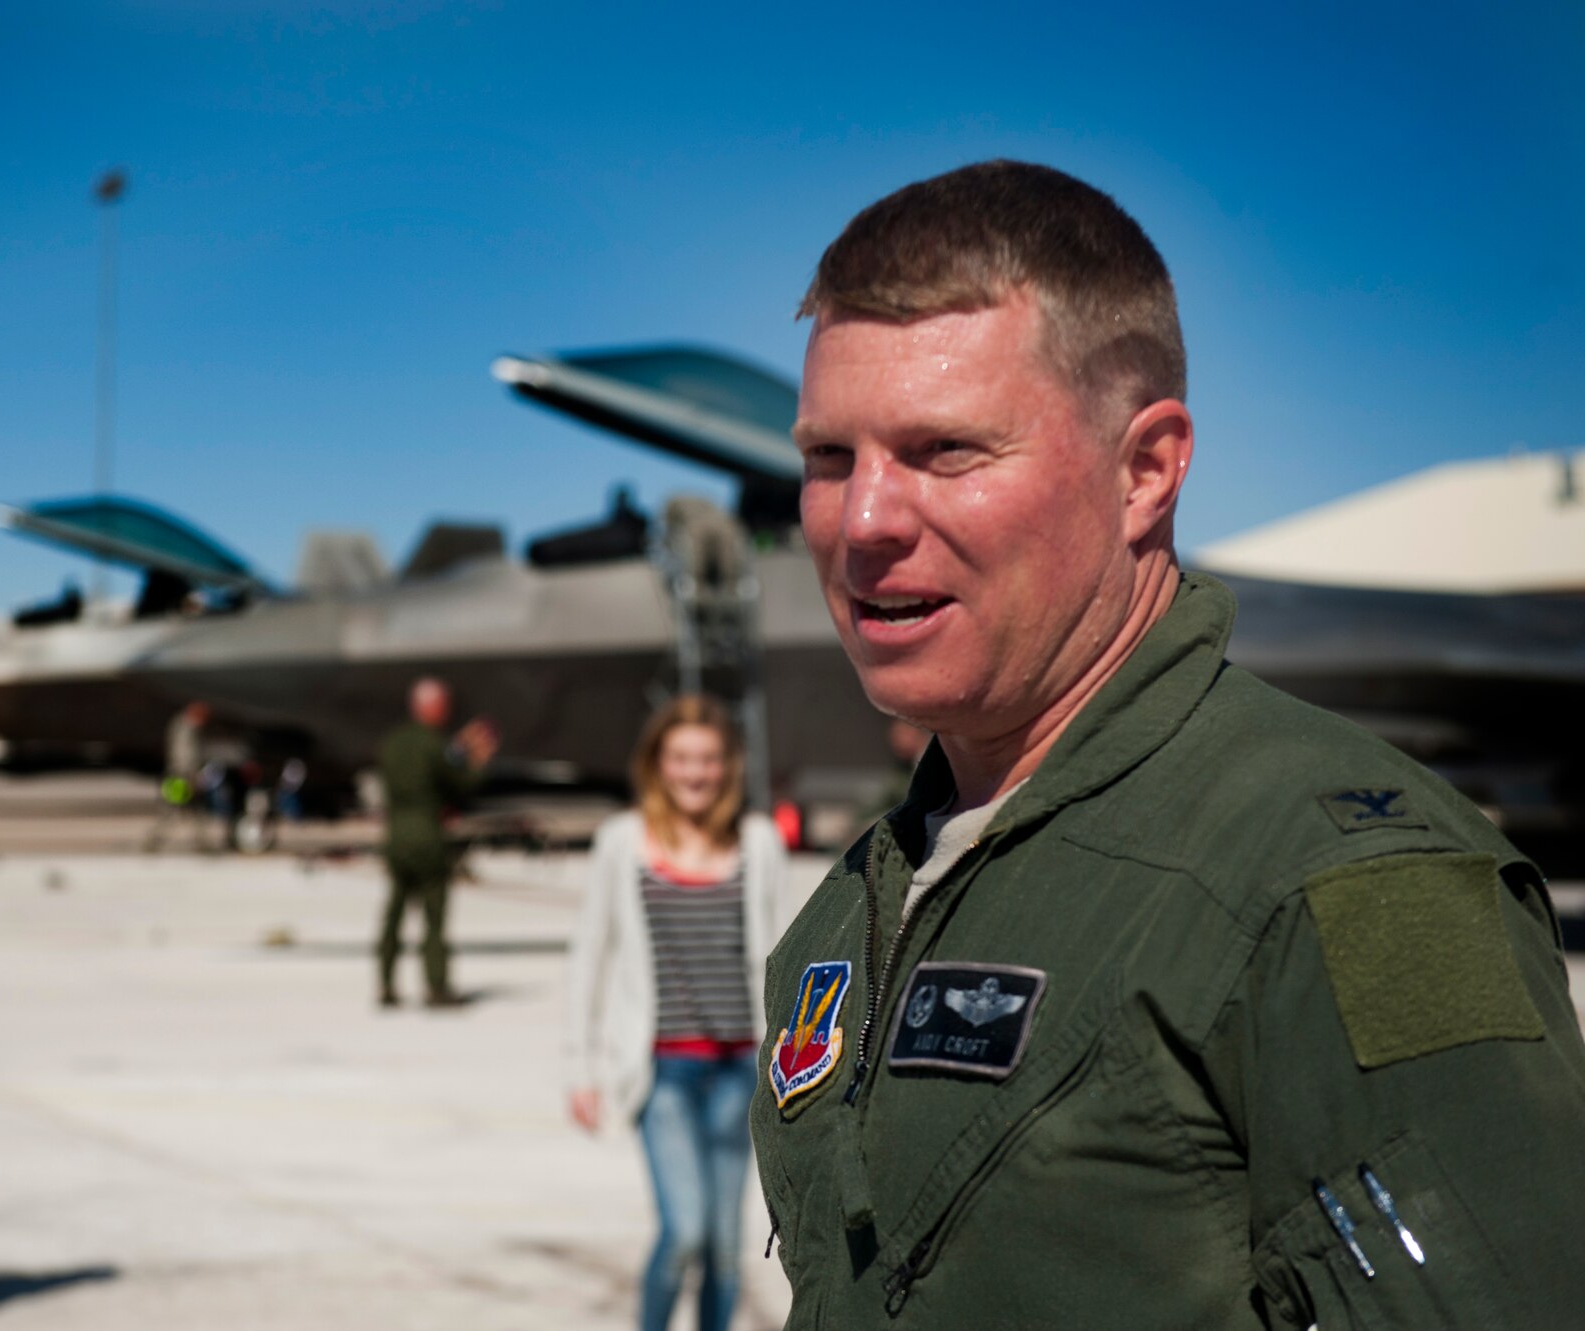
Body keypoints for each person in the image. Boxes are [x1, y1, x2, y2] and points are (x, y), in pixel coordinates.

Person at [753, 160, 1585, 1327]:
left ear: (1144, 469)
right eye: (827, 459)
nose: (865, 520)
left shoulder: (1345, 888)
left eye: (944, 450)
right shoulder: (853, 908)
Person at [563, 696, 787, 1331]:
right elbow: (588, 961)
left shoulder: (758, 841)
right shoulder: (621, 843)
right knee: (684, 1231)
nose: (696, 772)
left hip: (740, 1071)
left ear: (728, 766)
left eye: (709, 759)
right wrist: (579, 1069)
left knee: (724, 1251)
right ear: (658, 765)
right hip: (661, 1072)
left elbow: (781, 958)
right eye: (683, 758)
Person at [377, 677, 496, 1007]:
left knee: (394, 913)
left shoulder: (392, 743)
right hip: (427, 836)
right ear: (432, 707)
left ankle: (386, 985)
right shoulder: (434, 744)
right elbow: (458, 784)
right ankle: (436, 987)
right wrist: (479, 759)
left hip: (396, 836)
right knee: (434, 916)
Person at [144, 701, 210, 852]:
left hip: (180, 776)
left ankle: (202, 842)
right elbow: (184, 756)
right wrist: (190, 776)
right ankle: (153, 841)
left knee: (191, 812)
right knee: (172, 811)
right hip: (180, 777)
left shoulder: (184, 727)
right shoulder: (185, 729)